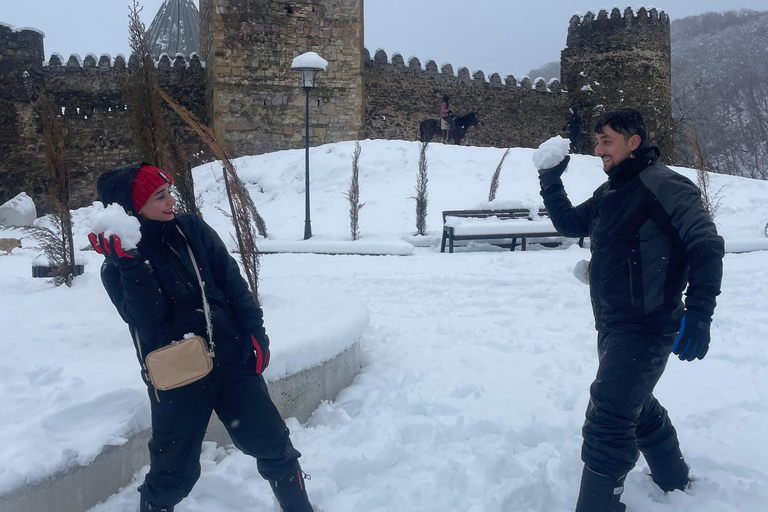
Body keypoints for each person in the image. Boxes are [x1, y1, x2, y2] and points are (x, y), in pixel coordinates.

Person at [88, 163, 314, 512]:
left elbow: (231, 282)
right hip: (177, 376)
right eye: (160, 196)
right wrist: (130, 265)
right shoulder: (116, 267)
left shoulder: (190, 229)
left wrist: (255, 333)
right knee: (173, 472)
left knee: (273, 444)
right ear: (133, 208)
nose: (171, 201)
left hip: (232, 358)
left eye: (170, 192)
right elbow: (147, 320)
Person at [537, 108, 724, 512]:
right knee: (632, 403)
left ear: (633, 142)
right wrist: (550, 180)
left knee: (609, 414)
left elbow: (706, 245)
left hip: (648, 324)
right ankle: (672, 478)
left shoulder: (665, 185)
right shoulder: (613, 192)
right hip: (612, 324)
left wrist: (700, 312)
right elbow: (571, 223)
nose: (598, 148)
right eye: (597, 140)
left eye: (607, 141)